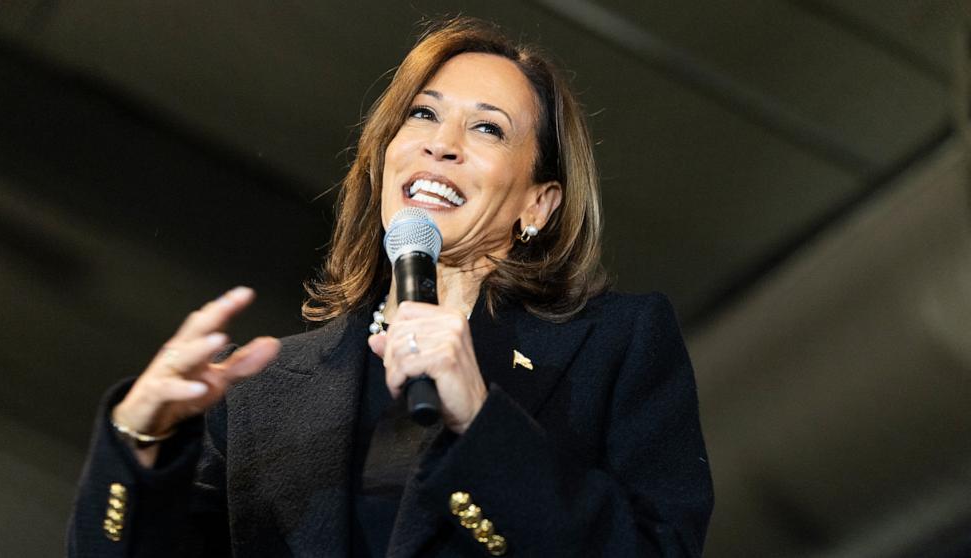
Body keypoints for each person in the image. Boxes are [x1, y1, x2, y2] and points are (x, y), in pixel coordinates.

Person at [68, 16, 713, 557]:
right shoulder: (261, 393)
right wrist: (137, 443)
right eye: (423, 115)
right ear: (384, 157)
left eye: (487, 128)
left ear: (538, 204)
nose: (441, 145)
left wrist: (482, 423)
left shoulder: (616, 345)